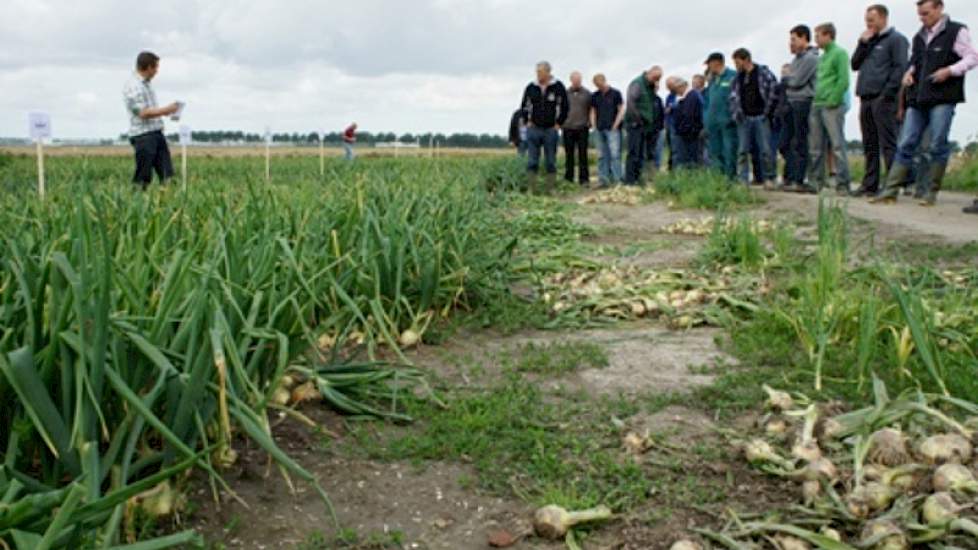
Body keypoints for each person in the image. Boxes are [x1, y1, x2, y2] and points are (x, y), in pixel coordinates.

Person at [872, 0, 978, 208]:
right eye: (920, 14)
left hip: (943, 97)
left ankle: (931, 191)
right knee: (905, 143)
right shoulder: (919, 36)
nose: (923, 18)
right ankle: (890, 191)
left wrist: (950, 71)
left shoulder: (956, 31)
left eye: (926, 13)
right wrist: (908, 74)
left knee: (937, 144)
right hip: (918, 97)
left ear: (939, 8)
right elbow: (915, 62)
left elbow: (972, 57)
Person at [851, 4, 910, 197]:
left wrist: (887, 93)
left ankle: (892, 185)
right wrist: (862, 43)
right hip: (865, 96)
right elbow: (854, 64)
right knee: (869, 144)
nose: (868, 24)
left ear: (883, 18)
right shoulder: (868, 41)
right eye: (867, 20)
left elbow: (900, 67)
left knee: (887, 143)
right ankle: (870, 184)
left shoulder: (897, 40)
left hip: (883, 97)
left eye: (872, 20)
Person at [123, 51, 181, 189]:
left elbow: (151, 110)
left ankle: (168, 203)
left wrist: (167, 113)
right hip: (143, 136)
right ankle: (137, 205)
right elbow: (142, 113)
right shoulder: (133, 86)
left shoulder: (146, 84)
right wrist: (166, 110)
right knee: (143, 176)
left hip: (155, 132)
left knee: (167, 174)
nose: (157, 71)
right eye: (155, 67)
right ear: (148, 67)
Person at [807, 23, 852, 195]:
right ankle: (817, 182)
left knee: (837, 145)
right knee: (816, 146)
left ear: (828, 35)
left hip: (832, 105)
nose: (816, 39)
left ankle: (843, 183)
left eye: (818, 36)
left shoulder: (839, 54)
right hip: (817, 104)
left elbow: (843, 80)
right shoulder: (822, 57)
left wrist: (833, 99)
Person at [730, 48, 779, 187]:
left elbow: (773, 91)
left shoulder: (763, 73)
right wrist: (736, 113)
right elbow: (733, 98)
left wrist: (767, 112)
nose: (736, 65)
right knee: (742, 151)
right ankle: (742, 180)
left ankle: (770, 177)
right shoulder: (737, 78)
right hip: (744, 118)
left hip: (761, 117)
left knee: (765, 150)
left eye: (737, 62)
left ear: (745, 59)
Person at [520, 61, 570, 194]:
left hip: (550, 130)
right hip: (534, 129)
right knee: (532, 161)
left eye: (540, 72)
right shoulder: (531, 87)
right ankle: (532, 188)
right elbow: (524, 106)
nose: (538, 75)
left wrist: (559, 123)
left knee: (551, 161)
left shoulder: (558, 86)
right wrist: (527, 121)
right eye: (537, 72)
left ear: (548, 72)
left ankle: (550, 188)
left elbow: (565, 107)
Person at [782, 26, 820, 192]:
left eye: (794, 39)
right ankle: (789, 177)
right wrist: (789, 79)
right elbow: (791, 81)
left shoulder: (811, 59)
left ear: (804, 38)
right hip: (791, 103)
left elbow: (796, 81)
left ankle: (799, 179)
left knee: (800, 141)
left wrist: (787, 78)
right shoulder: (796, 59)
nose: (791, 43)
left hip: (803, 102)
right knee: (785, 143)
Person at [704, 52, 739, 179]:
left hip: (727, 122)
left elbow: (737, 99)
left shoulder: (732, 76)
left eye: (709, 64)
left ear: (716, 62)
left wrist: (732, 117)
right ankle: (718, 178)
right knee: (715, 152)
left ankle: (730, 177)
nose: (709, 67)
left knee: (729, 150)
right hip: (713, 124)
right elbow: (708, 101)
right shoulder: (713, 80)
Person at [624, 66, 661, 185]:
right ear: (648, 73)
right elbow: (631, 103)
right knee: (634, 153)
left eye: (658, 79)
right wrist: (638, 120)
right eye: (655, 78)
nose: (656, 81)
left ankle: (638, 178)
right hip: (635, 124)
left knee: (641, 154)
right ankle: (630, 180)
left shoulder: (649, 86)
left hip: (645, 125)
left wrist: (654, 89)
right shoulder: (637, 84)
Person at [590, 73, 625, 186]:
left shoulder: (615, 93)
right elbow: (593, 111)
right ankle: (603, 180)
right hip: (599, 129)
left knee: (615, 155)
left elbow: (621, 109)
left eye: (600, 84)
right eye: (596, 85)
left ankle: (617, 179)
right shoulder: (595, 96)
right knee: (601, 155)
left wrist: (616, 124)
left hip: (612, 128)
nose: (598, 87)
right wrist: (594, 125)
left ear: (604, 81)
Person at [563, 72, 592, 186]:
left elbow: (592, 109)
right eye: (575, 80)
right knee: (569, 155)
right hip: (568, 127)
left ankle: (584, 180)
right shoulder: (565, 93)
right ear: (571, 80)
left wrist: (590, 122)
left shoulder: (587, 94)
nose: (577, 82)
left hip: (582, 127)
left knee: (583, 155)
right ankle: (569, 179)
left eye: (579, 80)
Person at [671, 77, 705, 168]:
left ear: (682, 86)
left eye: (676, 89)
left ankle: (692, 178)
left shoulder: (693, 96)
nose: (676, 92)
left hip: (691, 134)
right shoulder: (684, 98)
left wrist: (685, 129)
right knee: (685, 159)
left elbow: (691, 116)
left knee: (691, 160)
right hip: (685, 133)